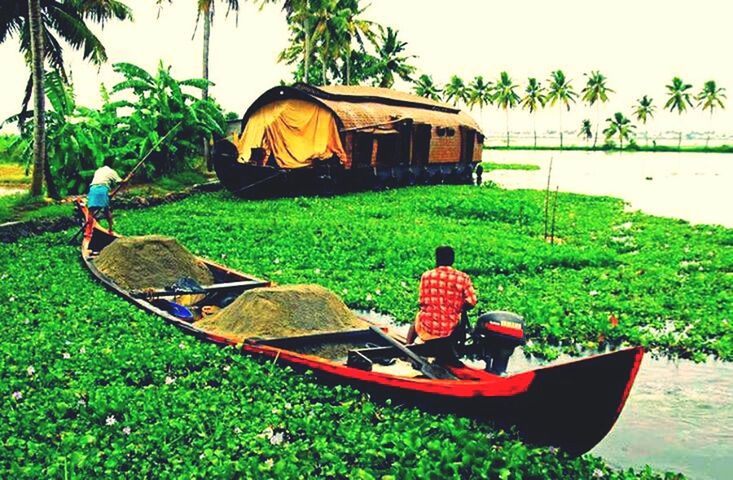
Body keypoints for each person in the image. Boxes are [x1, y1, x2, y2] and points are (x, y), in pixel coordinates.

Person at [407, 246, 477, 362]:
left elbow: (422, 302)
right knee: (459, 318)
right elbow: (472, 302)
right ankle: (452, 352)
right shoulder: (463, 277)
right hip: (449, 330)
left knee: (419, 315)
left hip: (427, 327)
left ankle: (406, 349)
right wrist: (458, 307)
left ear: (437, 259)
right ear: (452, 260)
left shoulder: (426, 276)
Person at [87, 158, 123, 233]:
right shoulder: (112, 171)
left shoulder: (98, 170)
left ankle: (89, 229)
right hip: (102, 188)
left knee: (90, 211)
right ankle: (110, 229)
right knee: (106, 210)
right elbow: (120, 182)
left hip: (93, 188)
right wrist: (129, 177)